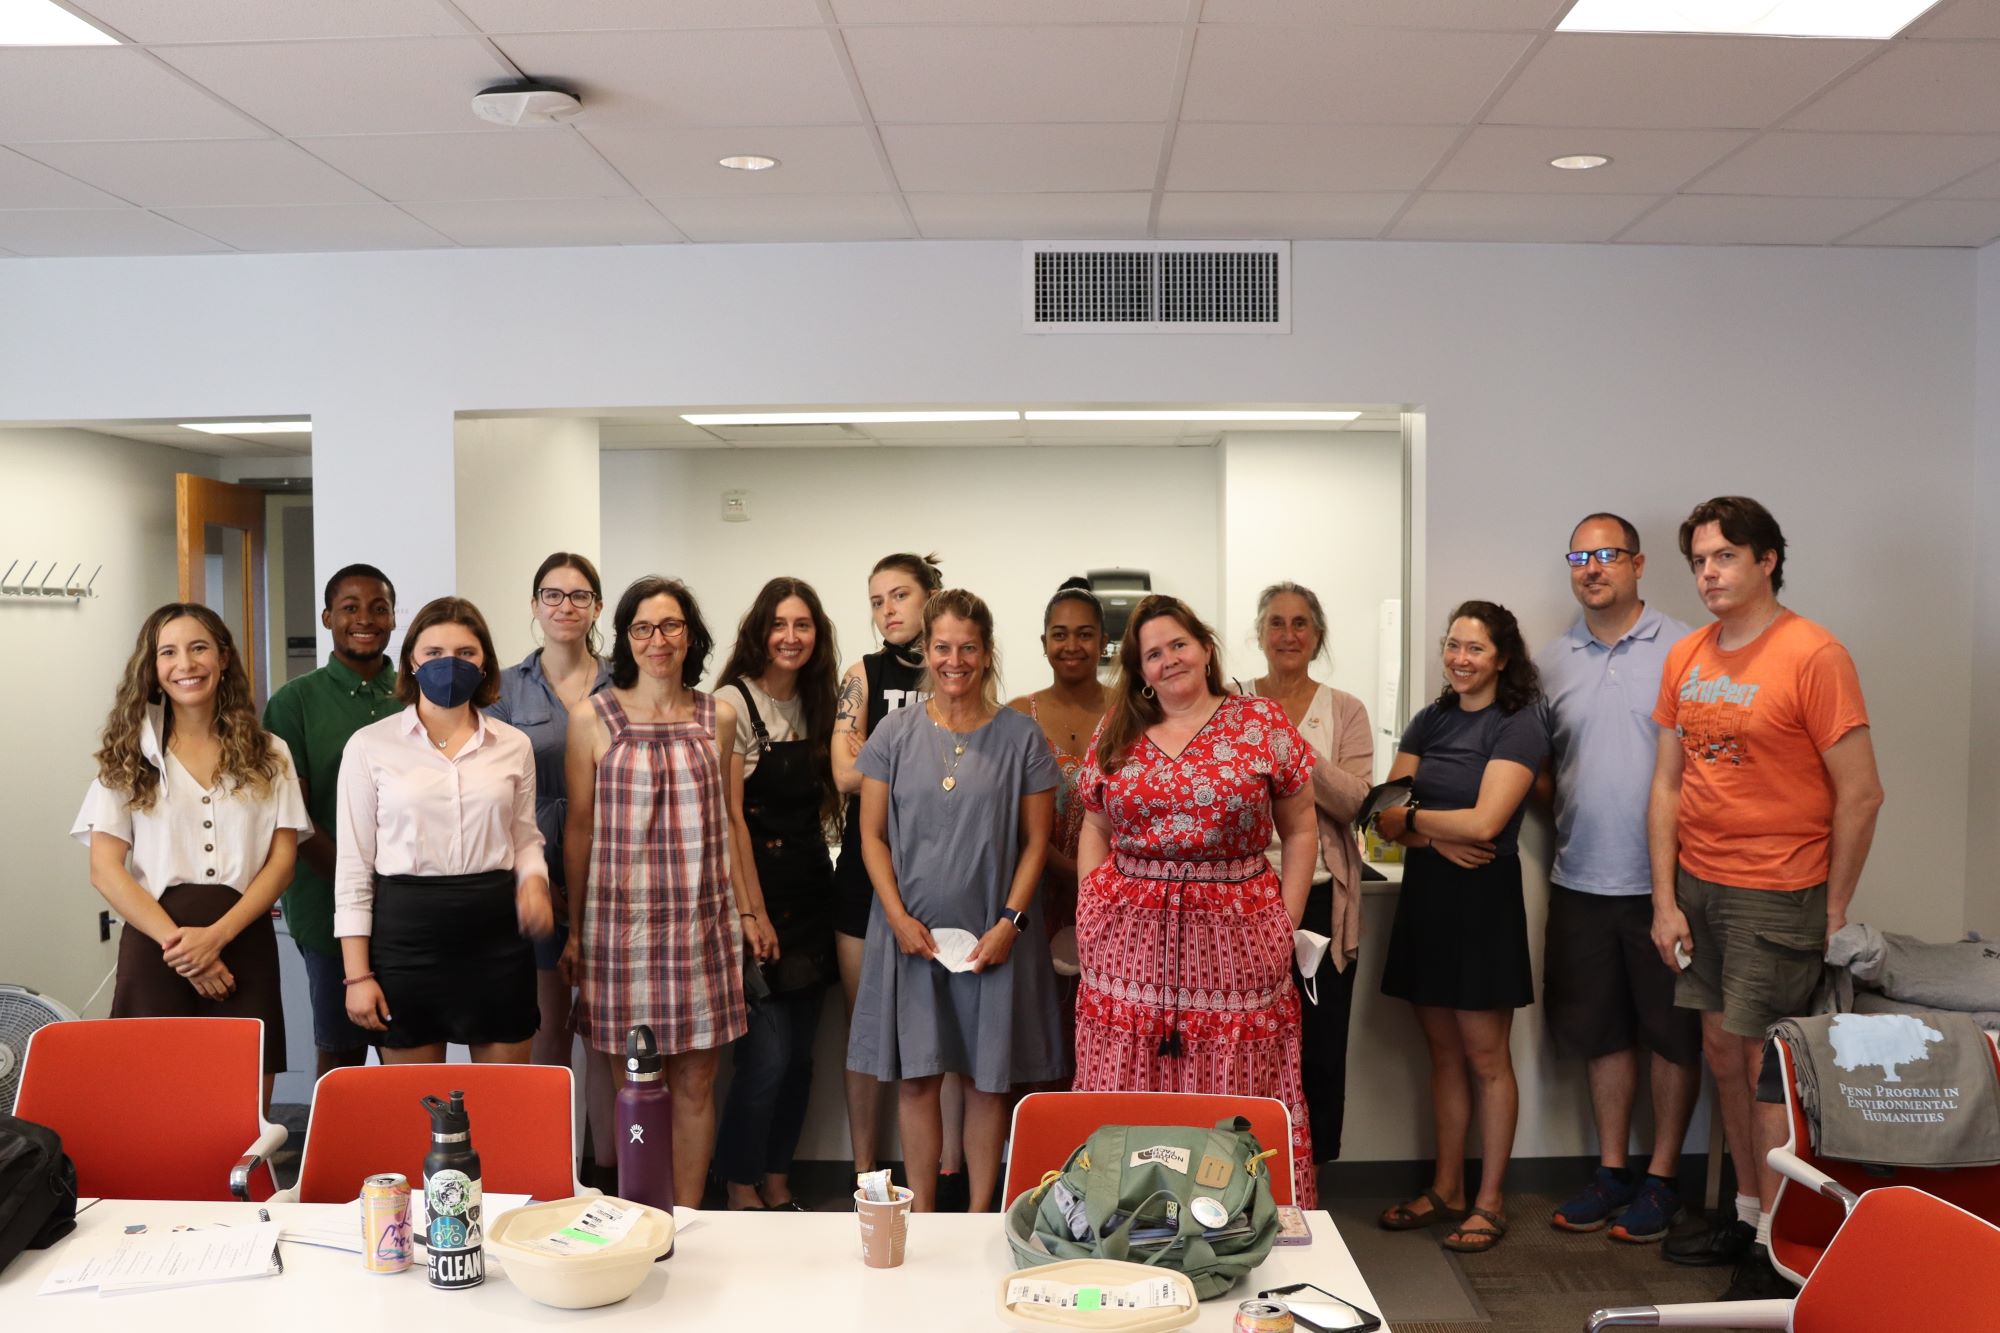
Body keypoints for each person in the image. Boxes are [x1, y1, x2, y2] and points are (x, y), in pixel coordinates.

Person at [1647, 496, 1882, 1300]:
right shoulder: (1687, 656)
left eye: (1724, 557)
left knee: (1762, 1068)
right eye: (1700, 561)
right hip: (1700, 887)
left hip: (1779, 887)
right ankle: (1748, 1213)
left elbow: (1861, 794)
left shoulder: (1814, 654)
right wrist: (1663, 898)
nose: (1709, 573)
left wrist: (1834, 907)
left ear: (1767, 560)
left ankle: (1782, 1246)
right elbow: (1668, 784)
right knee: (1720, 1052)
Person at [1074, 594, 1320, 1207]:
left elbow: (1302, 829)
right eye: (1152, 654)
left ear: (1205, 648)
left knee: (1235, 1087)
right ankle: (1126, 1222)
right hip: (1126, 955)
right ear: (1140, 672)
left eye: (1178, 645)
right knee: (1128, 1089)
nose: (1168, 660)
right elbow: (1095, 826)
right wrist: (1090, 910)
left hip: (1238, 951)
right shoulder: (1118, 730)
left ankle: (1236, 1224)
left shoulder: (1260, 723)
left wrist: (1283, 924)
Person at [848, 588, 1067, 1213]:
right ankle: (922, 1214)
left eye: (968, 647)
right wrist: (895, 917)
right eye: (942, 646)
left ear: (987, 652)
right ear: (926, 651)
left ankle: (977, 1214)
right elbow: (870, 835)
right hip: (909, 936)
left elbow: (1036, 841)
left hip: (995, 940)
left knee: (985, 1082)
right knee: (917, 1078)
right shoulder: (893, 733)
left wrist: (1010, 923)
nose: (954, 660)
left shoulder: (1021, 737)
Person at [1536, 515, 1702, 1244]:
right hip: (1580, 878)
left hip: (1670, 885)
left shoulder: (1688, 648)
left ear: (1637, 563)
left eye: (1606, 554)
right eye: (1580, 555)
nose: (1592, 567)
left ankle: (1663, 1177)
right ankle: (1612, 1171)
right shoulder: (1551, 662)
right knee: (1602, 1033)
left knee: (1671, 1033)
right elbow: (1539, 768)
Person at [76, 603, 310, 1104]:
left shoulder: (271, 753)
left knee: (242, 1106)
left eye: (199, 647)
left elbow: (282, 862)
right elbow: (104, 868)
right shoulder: (127, 754)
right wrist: (185, 951)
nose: (186, 663)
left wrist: (217, 939)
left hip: (243, 941)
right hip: (155, 946)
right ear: (154, 669)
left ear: (223, 657)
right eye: (169, 652)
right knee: (152, 1104)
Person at [565, 576, 747, 1207]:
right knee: (635, 1083)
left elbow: (729, 821)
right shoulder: (592, 717)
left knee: (698, 1079)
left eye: (670, 626)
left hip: (702, 924)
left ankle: (689, 1217)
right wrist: (575, 929)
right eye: (643, 628)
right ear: (625, 639)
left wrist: (748, 913)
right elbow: (580, 830)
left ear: (689, 635)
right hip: (621, 928)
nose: (658, 640)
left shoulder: (717, 717)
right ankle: (641, 1213)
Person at [1374, 601, 1549, 1254]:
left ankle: (1490, 1199)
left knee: (1485, 1058)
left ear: (1502, 657)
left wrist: (1420, 824)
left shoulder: (1520, 723)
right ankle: (1446, 1187)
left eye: (1475, 648)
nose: (1460, 658)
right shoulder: (1432, 717)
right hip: (1429, 898)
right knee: (1442, 1053)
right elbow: (1382, 812)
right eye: (1453, 645)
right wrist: (1427, 832)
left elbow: (1485, 824)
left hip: (1482, 903)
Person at [335, 597, 553, 1064]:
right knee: (418, 1112)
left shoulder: (513, 745)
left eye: (466, 653)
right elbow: (353, 867)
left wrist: (534, 880)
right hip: (406, 935)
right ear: (411, 660)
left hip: (496, 933)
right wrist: (357, 976)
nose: (449, 664)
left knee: (502, 1104)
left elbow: (524, 837)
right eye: (434, 653)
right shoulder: (370, 746)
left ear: (485, 663)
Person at [831, 552, 970, 1204]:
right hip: (864, 872)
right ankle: (864, 1169)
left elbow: (971, 764)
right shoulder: (862, 672)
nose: (888, 609)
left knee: (937, 1025)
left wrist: (882, 756)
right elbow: (841, 773)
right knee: (867, 1026)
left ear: (931, 596)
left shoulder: (957, 669)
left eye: (900, 594)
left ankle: (941, 1168)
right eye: (877, 598)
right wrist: (918, 756)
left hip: (941, 871)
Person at [713, 578, 842, 1211]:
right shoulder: (730, 705)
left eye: (804, 626)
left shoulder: (821, 705)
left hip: (813, 896)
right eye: (779, 625)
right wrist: (750, 913)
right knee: (765, 1058)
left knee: (801, 1065)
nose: (791, 638)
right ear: (760, 631)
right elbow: (728, 819)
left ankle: (780, 1179)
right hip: (755, 904)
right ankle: (739, 1184)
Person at [1236, 582, 1374, 1165]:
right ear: (1260, 634)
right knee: (1245, 1045)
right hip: (1243, 901)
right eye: (1276, 623)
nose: (1287, 634)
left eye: (1300, 624)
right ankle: (1242, 1174)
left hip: (1320, 903)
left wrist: (1287, 744)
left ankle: (1312, 1185)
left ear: (1317, 636)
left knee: (1316, 1050)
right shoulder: (1232, 700)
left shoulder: (1345, 711)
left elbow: (1358, 802)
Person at [261, 563, 400, 1078]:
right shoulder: (293, 703)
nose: (365, 619)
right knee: (342, 1048)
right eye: (350, 607)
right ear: (327, 618)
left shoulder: (414, 694)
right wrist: (357, 887)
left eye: (378, 608)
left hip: (410, 903)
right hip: (326, 906)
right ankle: (334, 1158)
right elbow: (292, 816)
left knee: (405, 1047)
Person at [1005, 576, 1109, 1065]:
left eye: (1085, 633)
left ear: (1104, 642)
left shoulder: (1134, 712)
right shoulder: (1013, 717)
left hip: (1115, 899)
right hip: (1034, 895)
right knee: (1035, 1040)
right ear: (1043, 642)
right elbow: (1007, 818)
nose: (1072, 645)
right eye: (1060, 633)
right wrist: (1064, 868)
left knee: (1104, 1037)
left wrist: (1094, 876)